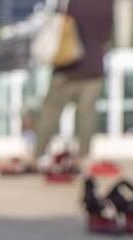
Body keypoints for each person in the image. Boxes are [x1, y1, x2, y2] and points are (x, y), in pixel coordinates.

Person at [33, 0, 114, 165]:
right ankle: (83, 157)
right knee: (87, 115)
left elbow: (56, 23)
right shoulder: (108, 3)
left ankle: (38, 154)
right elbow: (108, 34)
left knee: (50, 112)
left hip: (66, 65)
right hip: (94, 66)